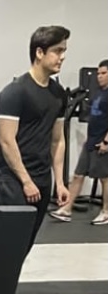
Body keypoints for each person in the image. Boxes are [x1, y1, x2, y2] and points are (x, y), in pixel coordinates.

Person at [0, 25, 70, 294]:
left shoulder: (58, 94)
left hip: (41, 181)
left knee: (22, 249)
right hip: (15, 181)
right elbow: (6, 141)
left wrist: (60, 182)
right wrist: (25, 180)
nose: (62, 57)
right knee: (7, 248)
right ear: (39, 53)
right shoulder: (16, 91)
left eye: (64, 51)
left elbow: (57, 140)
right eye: (57, 51)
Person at [50, 59, 108, 225]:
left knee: (104, 178)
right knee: (78, 175)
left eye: (104, 73)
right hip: (91, 141)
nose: (99, 76)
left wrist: (106, 142)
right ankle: (66, 209)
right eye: (98, 73)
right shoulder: (99, 93)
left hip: (102, 142)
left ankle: (106, 211)